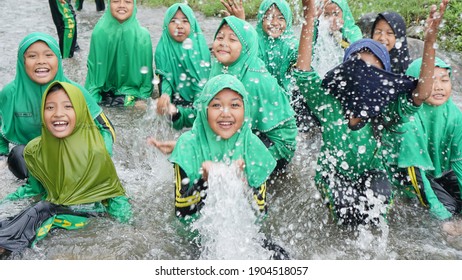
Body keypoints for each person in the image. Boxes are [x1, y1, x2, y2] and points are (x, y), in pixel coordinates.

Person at [293, 0, 448, 226]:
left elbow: (421, 94)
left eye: (372, 70)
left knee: (377, 208)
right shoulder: (327, 102)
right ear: (344, 71)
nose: (363, 75)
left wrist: (430, 42)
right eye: (357, 67)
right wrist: (309, 19)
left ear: (382, 80)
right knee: (345, 214)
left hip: (372, 171)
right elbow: (303, 73)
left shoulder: (384, 108)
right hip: (333, 173)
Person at [0, 81, 132, 257]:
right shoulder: (34, 150)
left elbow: (114, 195)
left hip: (84, 214)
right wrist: (5, 202)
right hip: (47, 211)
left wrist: (128, 228)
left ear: (80, 112)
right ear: (42, 112)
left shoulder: (95, 152)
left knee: (40, 211)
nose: (58, 114)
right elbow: (34, 188)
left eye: (68, 107)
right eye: (50, 107)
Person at [0, 32, 116, 200]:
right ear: (22, 61)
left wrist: (101, 157)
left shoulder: (74, 91)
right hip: (33, 159)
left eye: (48, 55)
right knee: (17, 156)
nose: (41, 61)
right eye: (32, 56)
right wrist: (2, 156)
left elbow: (106, 127)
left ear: (58, 60)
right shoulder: (9, 94)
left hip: (73, 156)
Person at [164, 74, 276, 223]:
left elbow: (260, 212)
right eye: (216, 105)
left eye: (235, 105)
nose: (225, 113)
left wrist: (242, 183)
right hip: (196, 235)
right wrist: (204, 181)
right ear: (205, 109)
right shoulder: (187, 146)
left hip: (243, 233)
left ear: (245, 110)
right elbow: (182, 211)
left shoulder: (253, 146)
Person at [209, 16, 298, 171]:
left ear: (246, 47)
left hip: (276, 147)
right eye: (220, 37)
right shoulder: (220, 68)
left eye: (232, 39)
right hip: (250, 131)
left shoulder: (253, 79)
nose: (223, 43)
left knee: (228, 168)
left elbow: (237, 129)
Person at [389, 57, 462, 236]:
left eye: (444, 80)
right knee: (449, 211)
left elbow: (459, 162)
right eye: (431, 81)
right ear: (416, 88)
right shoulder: (408, 120)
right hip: (410, 173)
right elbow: (416, 176)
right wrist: (444, 219)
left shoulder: (454, 114)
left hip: (440, 171)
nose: (439, 87)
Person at [85, 0, 153, 107]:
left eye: (127, 1)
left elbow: (147, 82)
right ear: (109, 4)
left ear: (134, 4)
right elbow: (93, 81)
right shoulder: (100, 33)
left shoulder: (142, 36)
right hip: (104, 94)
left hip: (132, 94)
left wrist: (143, 99)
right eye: (116, 1)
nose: (121, 5)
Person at [155, 3, 211, 130]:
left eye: (185, 21)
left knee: (204, 117)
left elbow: (201, 84)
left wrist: (198, 107)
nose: (179, 26)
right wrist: (165, 96)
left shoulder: (200, 49)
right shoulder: (163, 49)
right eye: (173, 21)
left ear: (192, 25)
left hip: (198, 99)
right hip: (176, 100)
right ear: (166, 25)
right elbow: (166, 79)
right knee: (165, 116)